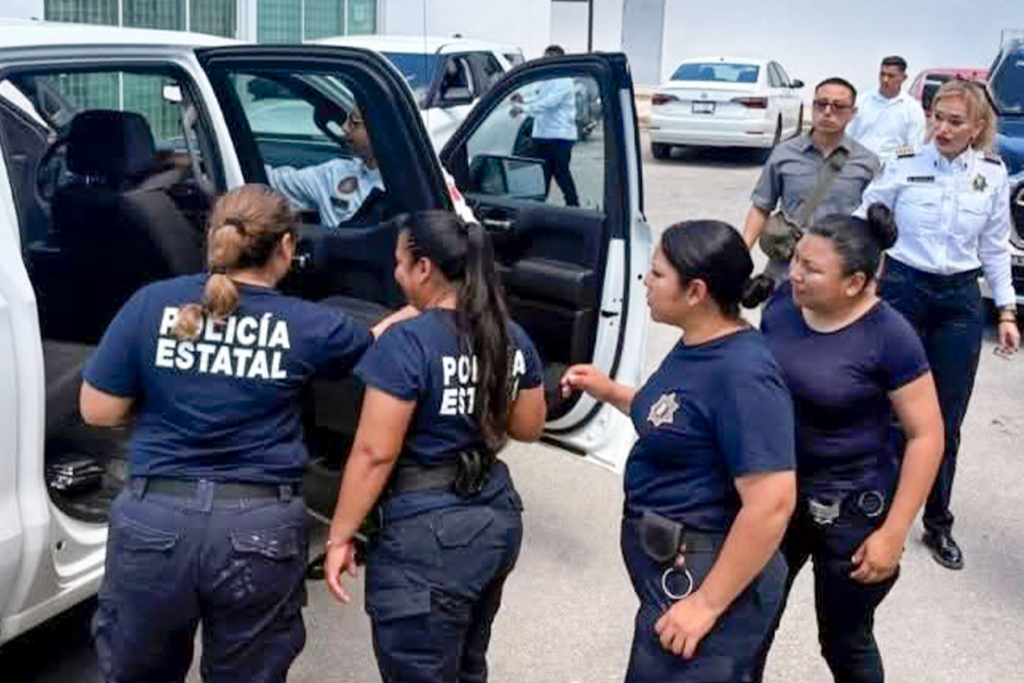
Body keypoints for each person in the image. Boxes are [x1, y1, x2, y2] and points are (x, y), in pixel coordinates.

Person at [80, 184, 384, 683]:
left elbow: (96, 409)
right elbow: (374, 342)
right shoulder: (311, 325)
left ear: (214, 239)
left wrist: (167, 390)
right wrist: (425, 308)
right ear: (286, 248)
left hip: (156, 523)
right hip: (257, 528)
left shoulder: (151, 304)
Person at [560, 221, 797, 682]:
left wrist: (705, 605)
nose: (646, 282)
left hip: (705, 574)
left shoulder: (744, 375)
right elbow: (677, 419)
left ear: (696, 292)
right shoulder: (698, 343)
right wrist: (609, 391)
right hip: (673, 569)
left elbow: (772, 505)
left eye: (658, 274)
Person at [322, 210, 547, 682]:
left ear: (424, 268)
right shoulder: (509, 336)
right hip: (494, 517)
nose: (396, 273)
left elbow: (374, 454)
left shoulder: (406, 344)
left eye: (401, 263)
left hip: (428, 533)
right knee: (466, 663)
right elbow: (528, 426)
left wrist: (340, 535)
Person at [756, 205, 944, 683]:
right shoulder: (782, 306)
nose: (794, 273)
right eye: (796, 259)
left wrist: (894, 534)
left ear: (856, 282)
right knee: (749, 623)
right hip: (777, 495)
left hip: (852, 510)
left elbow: (927, 436)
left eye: (812, 268)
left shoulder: (890, 337)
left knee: (844, 638)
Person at [856, 79, 1021, 570]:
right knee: (887, 409)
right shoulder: (905, 163)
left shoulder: (992, 174)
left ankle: (937, 521)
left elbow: (994, 247)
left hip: (958, 303)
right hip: (904, 290)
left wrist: (1007, 311)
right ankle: (879, 513)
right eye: (938, 117)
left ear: (977, 127)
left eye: (955, 121)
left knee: (946, 421)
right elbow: (867, 215)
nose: (943, 128)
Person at [743, 78, 881, 283]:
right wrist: (742, 253)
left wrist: (873, 275)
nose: (827, 111)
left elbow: (874, 224)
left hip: (839, 272)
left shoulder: (867, 163)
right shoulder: (784, 153)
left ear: (853, 113)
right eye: (821, 104)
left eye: (838, 106)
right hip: (787, 267)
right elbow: (761, 207)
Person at [266, 107, 385, 229]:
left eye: (354, 122)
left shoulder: (400, 188)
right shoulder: (336, 172)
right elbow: (275, 182)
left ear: (379, 131)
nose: (344, 127)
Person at [510, 44, 580, 207]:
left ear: (559, 61)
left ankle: (573, 205)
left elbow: (548, 104)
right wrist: (524, 102)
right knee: (543, 174)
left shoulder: (564, 81)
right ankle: (539, 206)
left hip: (559, 137)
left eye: (549, 60)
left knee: (561, 174)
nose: (545, 63)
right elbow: (539, 101)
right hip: (543, 135)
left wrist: (522, 108)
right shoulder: (547, 80)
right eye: (544, 59)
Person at [847, 56, 927, 163]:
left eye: (891, 76)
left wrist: (891, 156)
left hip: (892, 170)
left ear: (903, 78)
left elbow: (914, 148)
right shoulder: (861, 101)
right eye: (882, 74)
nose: (885, 80)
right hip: (857, 164)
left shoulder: (913, 110)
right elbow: (847, 135)